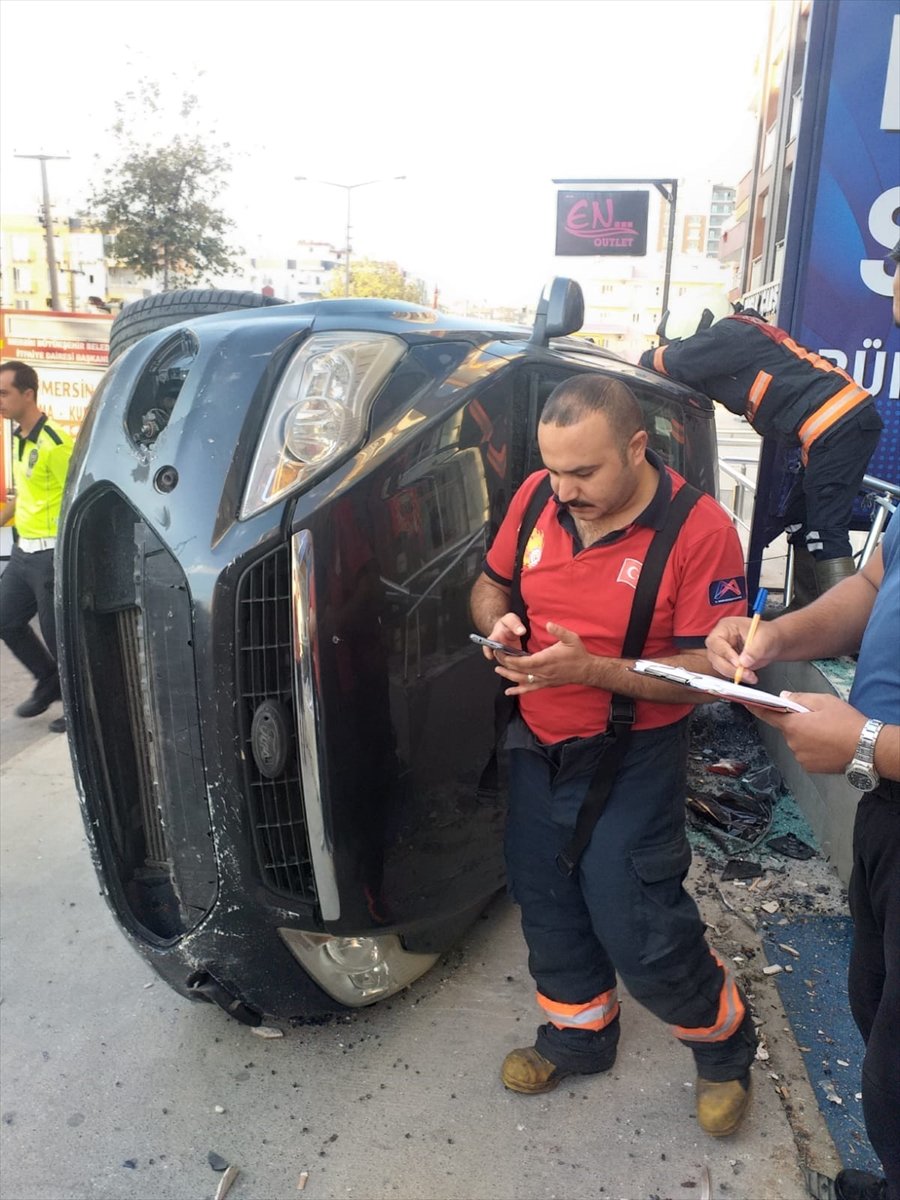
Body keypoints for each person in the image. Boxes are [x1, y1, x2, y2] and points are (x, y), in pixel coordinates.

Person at [470, 374, 758, 1138]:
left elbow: (709, 675)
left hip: (635, 754)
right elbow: (490, 585)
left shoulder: (700, 531)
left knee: (637, 919)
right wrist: (498, 624)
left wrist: (591, 670)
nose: (564, 490)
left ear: (636, 447)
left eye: (584, 472)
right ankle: (579, 1035)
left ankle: (724, 1047)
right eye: (553, 470)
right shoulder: (538, 497)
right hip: (536, 744)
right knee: (547, 902)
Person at [705, 242, 900, 1200]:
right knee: (877, 1012)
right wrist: (776, 635)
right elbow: (872, 586)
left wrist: (866, 742)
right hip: (890, 810)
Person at [638, 293, 883, 603]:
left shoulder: (733, 333)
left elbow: (674, 360)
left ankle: (842, 622)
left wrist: (644, 359)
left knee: (825, 530)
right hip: (829, 432)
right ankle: (806, 609)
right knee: (800, 520)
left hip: (838, 427)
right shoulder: (741, 338)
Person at [0, 360, 74, 734]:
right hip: (22, 554)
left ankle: (80, 710)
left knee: (60, 639)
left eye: (4, 393)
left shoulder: (55, 443)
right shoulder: (18, 438)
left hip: (49, 557)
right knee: (5, 619)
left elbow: (76, 496)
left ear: (28, 394)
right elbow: (26, 494)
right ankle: (49, 682)